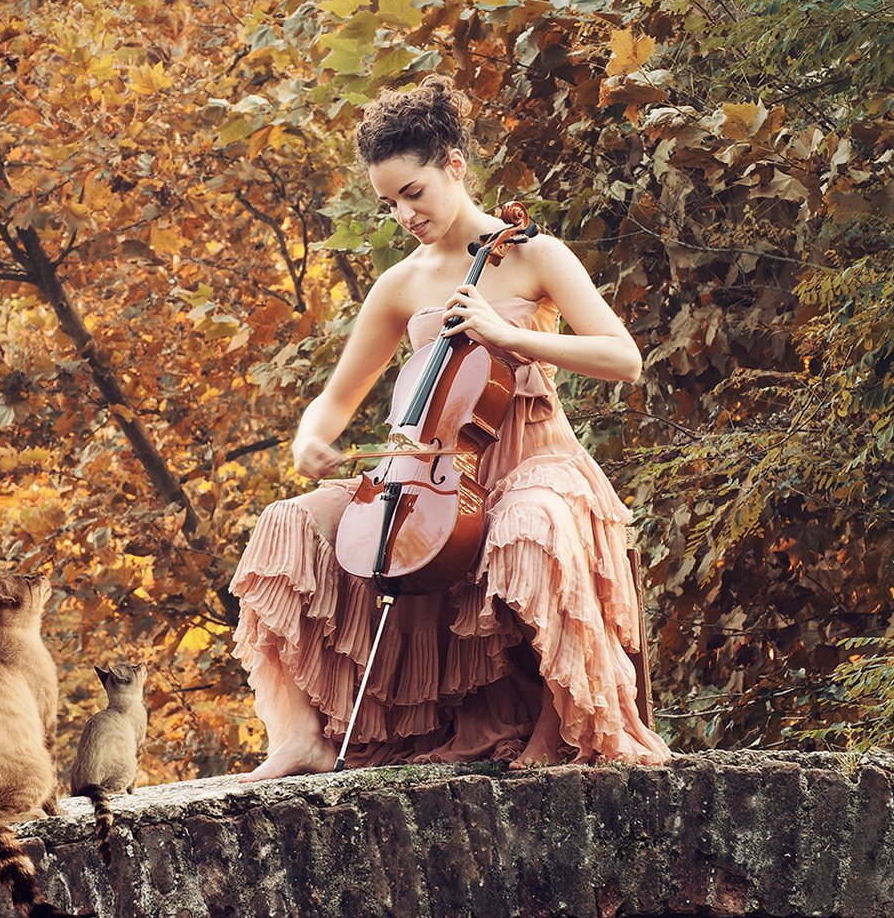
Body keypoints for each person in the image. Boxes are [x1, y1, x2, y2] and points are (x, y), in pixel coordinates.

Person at [233, 74, 673, 779]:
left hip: (537, 465)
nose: (405, 214)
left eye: (414, 192)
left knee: (528, 525)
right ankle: (302, 735)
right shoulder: (401, 284)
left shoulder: (533, 254)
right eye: (389, 203)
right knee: (292, 522)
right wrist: (310, 437)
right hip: (434, 474)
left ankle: (555, 725)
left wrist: (510, 334)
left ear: (455, 168)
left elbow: (624, 359)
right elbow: (335, 401)